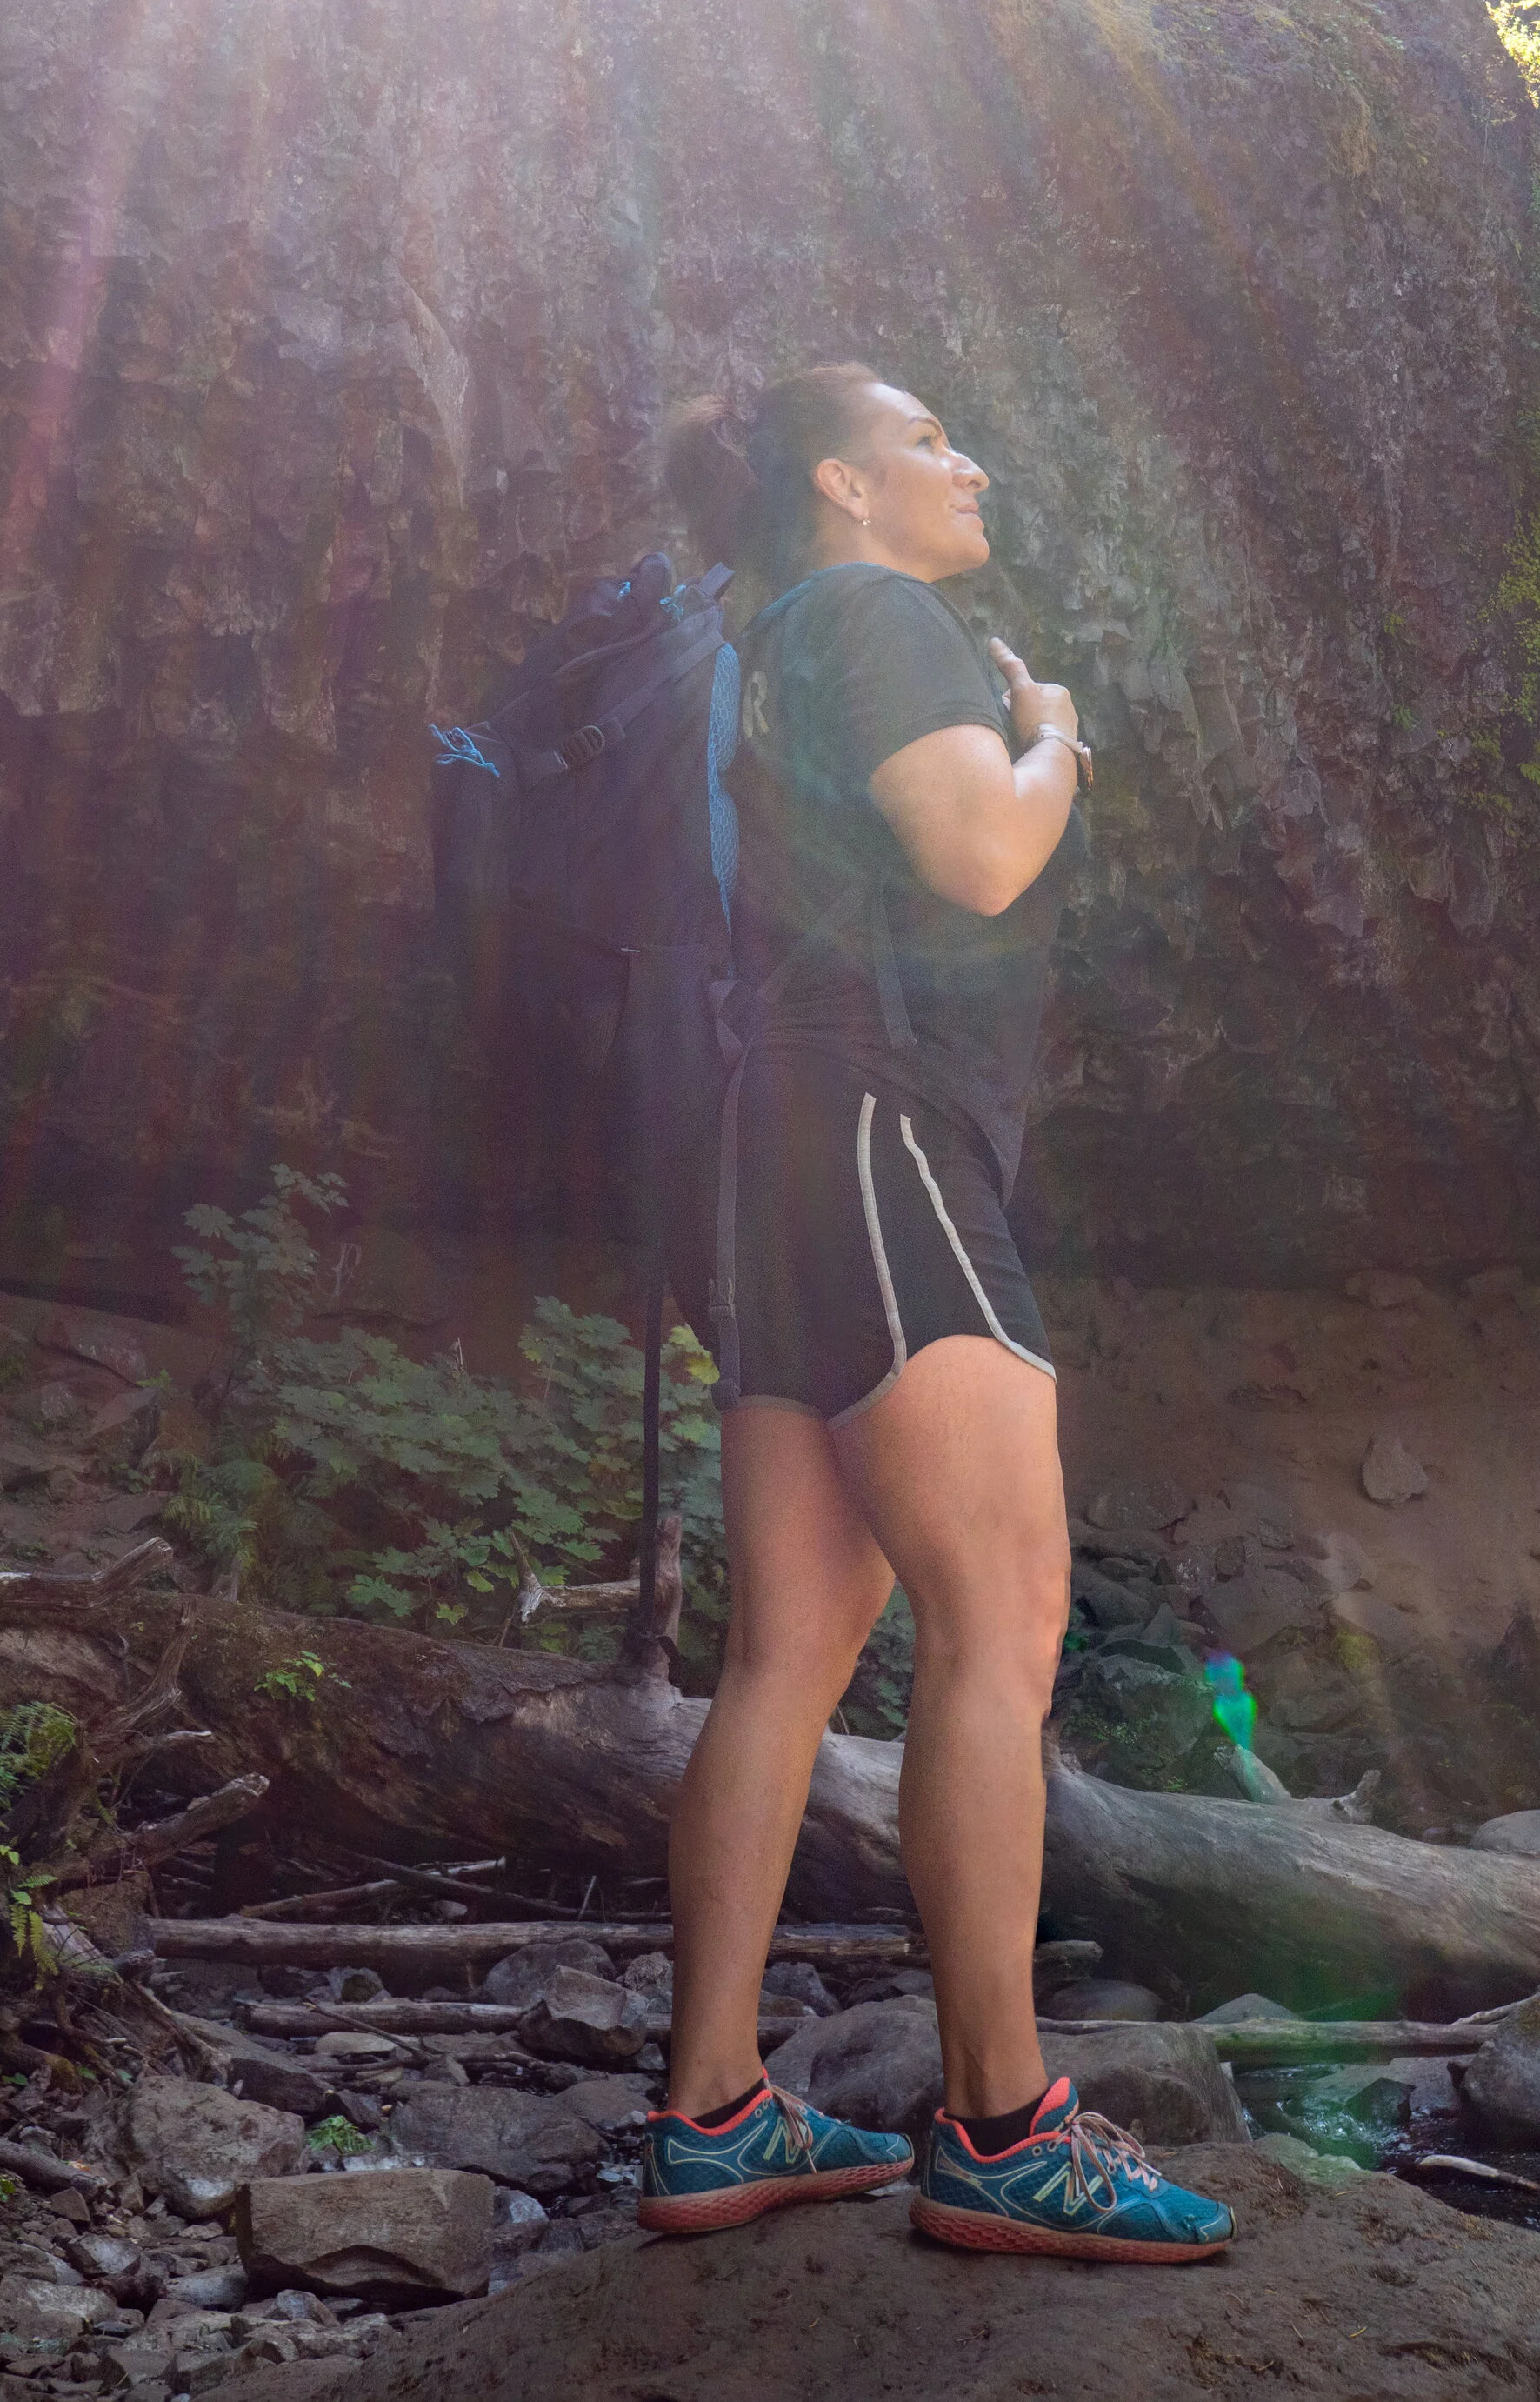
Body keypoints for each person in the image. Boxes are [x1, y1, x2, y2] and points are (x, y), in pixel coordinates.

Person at [637, 364, 1233, 2263]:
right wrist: (1056, 736)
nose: (969, 459)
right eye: (927, 439)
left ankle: (715, 2107)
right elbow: (978, 848)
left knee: (787, 1655)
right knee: (1007, 1619)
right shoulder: (880, 614)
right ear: (840, 480)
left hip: (772, 1147)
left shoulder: (758, 647)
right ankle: (999, 2128)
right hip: (884, 1130)